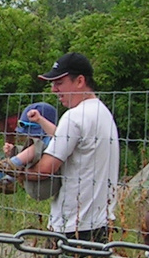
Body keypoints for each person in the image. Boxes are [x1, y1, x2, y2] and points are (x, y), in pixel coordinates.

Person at [16, 53, 119, 246]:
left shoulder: (74, 117)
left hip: (71, 226)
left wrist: (15, 171)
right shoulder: (103, 113)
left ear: (80, 81)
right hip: (100, 223)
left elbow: (46, 169)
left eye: (59, 83)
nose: (54, 90)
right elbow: (65, 143)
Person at [0, 103, 58, 193]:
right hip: (36, 175)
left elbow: (57, 137)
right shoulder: (40, 141)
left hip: (50, 179)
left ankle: (12, 165)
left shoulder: (53, 138)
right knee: (23, 148)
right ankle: (8, 180)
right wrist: (13, 150)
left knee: (37, 145)